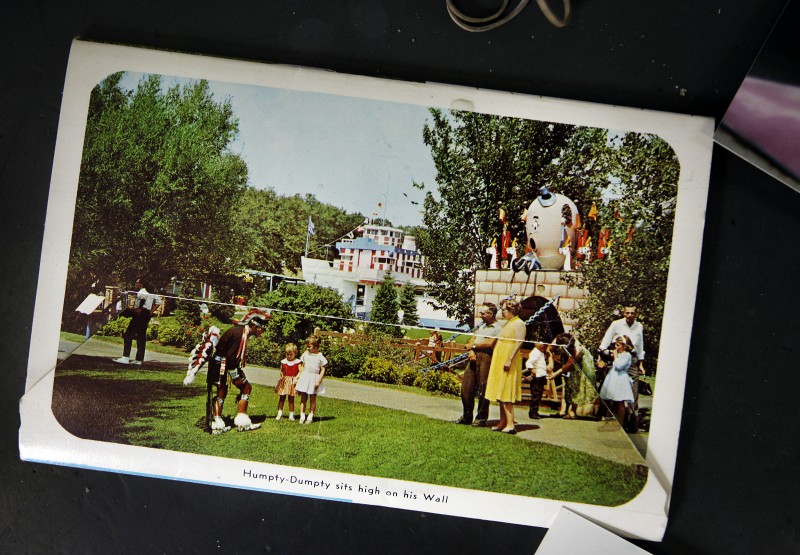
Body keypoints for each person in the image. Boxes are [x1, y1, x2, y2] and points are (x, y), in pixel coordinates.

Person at [207, 309, 270, 433]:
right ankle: (237, 422)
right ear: (255, 327)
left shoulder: (241, 332)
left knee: (224, 391)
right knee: (244, 388)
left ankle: (220, 423)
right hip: (223, 365)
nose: (262, 333)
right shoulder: (239, 334)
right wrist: (235, 376)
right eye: (262, 329)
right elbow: (231, 357)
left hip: (222, 364)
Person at [455, 303, 503, 426]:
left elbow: (490, 343)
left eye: (483, 313)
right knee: (466, 387)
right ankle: (466, 416)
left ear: (491, 314)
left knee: (483, 388)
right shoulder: (481, 326)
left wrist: (474, 346)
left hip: (486, 357)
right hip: (474, 356)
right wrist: (471, 350)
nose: (480, 315)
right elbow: (473, 338)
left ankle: (481, 418)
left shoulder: (498, 328)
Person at [484, 299, 527, 434]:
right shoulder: (508, 323)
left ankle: (510, 424)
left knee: (507, 390)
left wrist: (509, 359)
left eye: (504, 309)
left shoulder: (519, 323)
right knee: (500, 390)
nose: (502, 312)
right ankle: (503, 422)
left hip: (509, 359)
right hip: (500, 357)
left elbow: (519, 342)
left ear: (512, 310)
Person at [598, 306, 645, 427]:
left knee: (633, 390)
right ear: (624, 313)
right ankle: (611, 417)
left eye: (632, 313)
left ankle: (632, 421)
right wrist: (602, 357)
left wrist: (641, 363)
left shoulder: (639, 326)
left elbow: (640, 345)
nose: (629, 315)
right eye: (627, 313)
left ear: (636, 314)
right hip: (617, 356)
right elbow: (606, 340)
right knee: (614, 387)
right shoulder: (616, 324)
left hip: (632, 358)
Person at [549, 333, 599, 419]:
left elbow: (570, 364)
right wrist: (550, 362)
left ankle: (575, 412)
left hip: (582, 363)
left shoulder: (577, 349)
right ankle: (564, 411)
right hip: (567, 359)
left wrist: (555, 373)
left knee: (578, 384)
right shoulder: (558, 339)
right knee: (567, 384)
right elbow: (548, 349)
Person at [114, 278, 160, 365]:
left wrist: (138, 309)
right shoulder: (151, 292)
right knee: (141, 337)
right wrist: (150, 312)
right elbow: (159, 302)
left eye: (137, 283)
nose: (135, 284)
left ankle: (125, 357)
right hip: (146, 315)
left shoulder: (142, 291)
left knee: (128, 335)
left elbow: (142, 300)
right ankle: (139, 360)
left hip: (140, 315)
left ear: (141, 284)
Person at [598, 335, 636, 428]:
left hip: (620, 379)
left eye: (618, 345)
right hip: (613, 377)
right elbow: (615, 366)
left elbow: (619, 366)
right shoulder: (620, 355)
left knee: (619, 402)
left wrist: (615, 356)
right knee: (614, 401)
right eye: (615, 345)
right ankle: (615, 420)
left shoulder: (627, 355)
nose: (616, 347)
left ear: (625, 346)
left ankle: (621, 423)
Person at [295, 335, 328, 424]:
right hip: (305, 377)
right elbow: (301, 364)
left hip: (314, 378)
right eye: (307, 346)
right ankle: (302, 415)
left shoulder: (320, 356)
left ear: (316, 347)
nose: (307, 348)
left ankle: (310, 416)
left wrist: (318, 381)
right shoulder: (305, 354)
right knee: (303, 397)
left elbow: (323, 370)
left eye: (309, 346)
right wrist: (299, 375)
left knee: (313, 398)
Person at [523, 340, 550, 419]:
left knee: (538, 394)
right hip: (537, 377)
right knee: (536, 395)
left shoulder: (540, 353)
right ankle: (533, 412)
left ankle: (535, 410)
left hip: (541, 376)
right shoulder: (535, 353)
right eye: (544, 346)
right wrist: (532, 370)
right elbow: (528, 363)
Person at [275, 343, 301, 421]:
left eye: (291, 354)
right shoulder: (283, 362)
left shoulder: (297, 362)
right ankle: (279, 413)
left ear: (295, 354)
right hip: (285, 381)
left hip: (292, 382)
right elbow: (281, 370)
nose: (288, 356)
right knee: (282, 397)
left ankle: (291, 415)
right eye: (287, 354)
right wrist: (282, 376)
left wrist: (296, 378)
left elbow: (300, 371)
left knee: (291, 398)